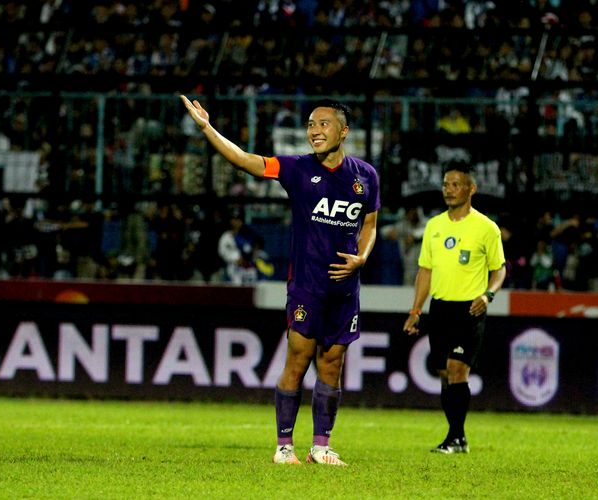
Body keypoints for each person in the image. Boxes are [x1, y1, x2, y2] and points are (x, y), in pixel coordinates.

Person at [181, 95, 380, 466]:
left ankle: (321, 446)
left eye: (322, 124)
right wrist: (208, 128)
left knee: (333, 363)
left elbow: (369, 224)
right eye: (310, 125)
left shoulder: (365, 175)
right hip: (307, 284)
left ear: (344, 130)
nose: (314, 131)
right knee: (298, 360)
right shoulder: (297, 169)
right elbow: (245, 160)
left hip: (345, 288)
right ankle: (284, 446)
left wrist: (363, 256)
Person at [403, 164, 506, 454]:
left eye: (455, 184)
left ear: (471, 189)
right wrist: (415, 311)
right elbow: (425, 270)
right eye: (446, 184)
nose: (448, 189)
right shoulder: (435, 226)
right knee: (445, 374)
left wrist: (488, 295)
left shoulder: (487, 228)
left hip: (469, 310)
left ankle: (454, 438)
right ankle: (458, 437)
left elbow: (499, 271)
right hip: (440, 309)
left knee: (457, 369)